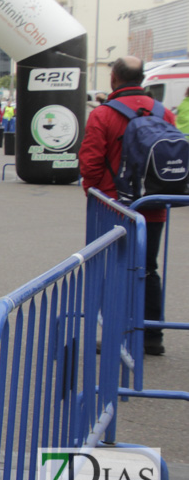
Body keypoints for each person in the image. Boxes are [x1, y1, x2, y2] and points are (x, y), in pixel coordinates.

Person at [79, 56, 176, 356]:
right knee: (147, 268)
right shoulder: (163, 113)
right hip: (155, 203)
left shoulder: (104, 114)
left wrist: (92, 191)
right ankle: (151, 335)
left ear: (114, 79)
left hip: (113, 204)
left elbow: (91, 160)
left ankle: (116, 335)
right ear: (143, 78)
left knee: (113, 267)